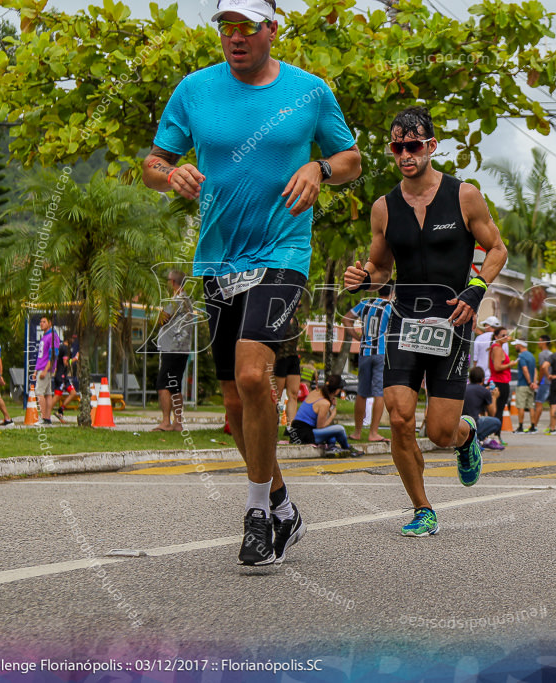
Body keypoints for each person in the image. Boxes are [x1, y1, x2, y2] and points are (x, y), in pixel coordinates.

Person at [141, 0, 362, 566]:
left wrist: (319, 168)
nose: (235, 37)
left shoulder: (310, 91)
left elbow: (352, 158)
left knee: (252, 373)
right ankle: (285, 506)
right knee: (237, 405)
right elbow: (152, 164)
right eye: (226, 27)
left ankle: (258, 513)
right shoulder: (194, 90)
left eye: (246, 27)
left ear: (272, 30)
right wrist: (172, 174)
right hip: (217, 262)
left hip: (283, 253)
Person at [343, 105, 508, 537]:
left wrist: (476, 289)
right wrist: (364, 279)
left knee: (439, 432)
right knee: (398, 417)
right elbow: (380, 269)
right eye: (397, 146)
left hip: (452, 320)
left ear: (431, 146)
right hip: (403, 319)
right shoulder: (384, 207)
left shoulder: (463, 195)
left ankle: (467, 434)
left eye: (413, 145)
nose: (405, 154)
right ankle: (422, 508)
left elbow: (497, 249)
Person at [342, 282, 393, 443]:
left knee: (361, 393)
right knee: (379, 393)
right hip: (381, 352)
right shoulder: (391, 307)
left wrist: (357, 337)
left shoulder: (365, 303)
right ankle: (373, 433)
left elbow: (346, 319)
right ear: (391, 293)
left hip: (364, 351)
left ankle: (357, 432)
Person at [152, 270, 194, 432]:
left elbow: (162, 319)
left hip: (171, 348)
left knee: (163, 384)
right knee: (175, 385)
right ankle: (178, 422)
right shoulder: (187, 300)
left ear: (172, 282)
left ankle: (165, 422)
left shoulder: (176, 300)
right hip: (182, 349)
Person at [287, 374, 363, 455]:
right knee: (339, 429)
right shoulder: (324, 403)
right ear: (337, 391)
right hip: (304, 435)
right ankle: (347, 448)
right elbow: (321, 427)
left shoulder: (315, 392)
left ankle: (331, 447)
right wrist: (332, 415)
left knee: (332, 433)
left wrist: (331, 404)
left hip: (295, 432)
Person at [273, 299, 303, 424]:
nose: (297, 308)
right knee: (277, 396)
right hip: (280, 359)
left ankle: (292, 426)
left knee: (294, 394)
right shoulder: (279, 319)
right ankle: (272, 423)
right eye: (296, 305)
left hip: (293, 358)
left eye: (299, 306)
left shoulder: (296, 321)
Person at [462, 367, 504, 450]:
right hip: (473, 423)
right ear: (483, 379)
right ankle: (476, 439)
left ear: (470, 378)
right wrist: (494, 397)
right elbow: (492, 413)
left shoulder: (464, 388)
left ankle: (472, 439)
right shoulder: (484, 392)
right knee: (496, 422)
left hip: (461, 422)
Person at [487, 326, 515, 442]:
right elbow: (497, 367)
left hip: (497, 380)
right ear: (496, 337)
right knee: (498, 409)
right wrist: (510, 365)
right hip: (500, 382)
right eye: (502, 335)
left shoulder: (495, 348)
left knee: (495, 409)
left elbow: (491, 366)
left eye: (506, 335)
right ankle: (496, 436)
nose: (505, 337)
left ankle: (493, 435)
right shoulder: (497, 348)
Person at [33, 316, 61, 425]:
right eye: (40, 322)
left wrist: (46, 370)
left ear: (49, 323)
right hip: (41, 367)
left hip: (46, 368)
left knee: (39, 392)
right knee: (48, 393)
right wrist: (36, 370)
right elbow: (41, 355)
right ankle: (47, 418)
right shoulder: (44, 336)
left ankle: (43, 417)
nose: (41, 323)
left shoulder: (53, 336)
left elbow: (53, 355)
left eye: (44, 322)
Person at [512, 338, 538, 433]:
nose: (515, 347)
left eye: (516, 345)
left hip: (523, 384)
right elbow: (535, 370)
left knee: (521, 406)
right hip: (531, 386)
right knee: (531, 406)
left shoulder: (522, 356)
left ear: (520, 345)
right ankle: (533, 427)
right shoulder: (531, 356)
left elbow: (525, 369)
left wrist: (529, 382)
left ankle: (520, 427)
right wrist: (534, 383)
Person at [53, 339, 79, 423]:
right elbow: (66, 363)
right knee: (57, 396)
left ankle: (60, 411)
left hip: (65, 377)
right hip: (61, 376)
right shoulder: (64, 348)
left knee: (73, 393)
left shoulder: (66, 348)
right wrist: (75, 359)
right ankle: (45, 414)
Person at [532, 334, 552, 430]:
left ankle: (534, 425)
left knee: (538, 403)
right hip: (552, 381)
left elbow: (542, 369)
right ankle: (552, 426)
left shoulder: (542, 354)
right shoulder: (551, 354)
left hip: (544, 381)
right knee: (553, 404)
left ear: (544, 342)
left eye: (539, 341)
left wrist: (539, 382)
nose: (538, 343)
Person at [471, 316, 500, 382]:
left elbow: (474, 359)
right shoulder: (502, 340)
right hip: (496, 377)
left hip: (480, 376)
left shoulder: (479, 338)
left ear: (488, 325)